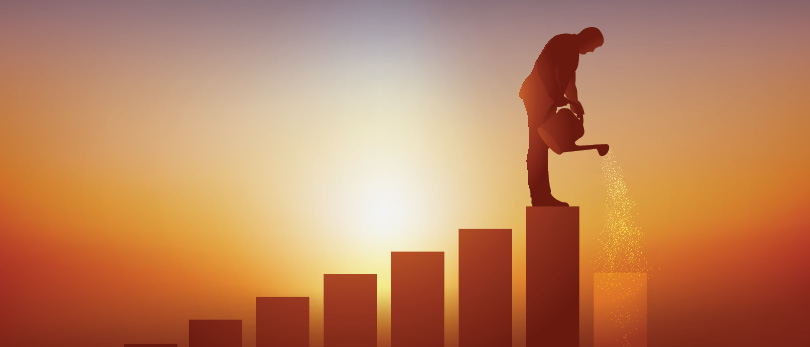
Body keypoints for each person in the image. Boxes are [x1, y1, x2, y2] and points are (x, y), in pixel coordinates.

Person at [520, 27, 604, 206]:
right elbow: (544, 66)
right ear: (587, 38)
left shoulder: (573, 53)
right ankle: (540, 197)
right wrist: (554, 94)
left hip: (546, 98)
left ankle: (542, 195)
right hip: (536, 96)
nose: (591, 51)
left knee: (540, 143)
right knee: (538, 145)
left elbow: (569, 82)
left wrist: (575, 102)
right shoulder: (563, 42)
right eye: (593, 47)